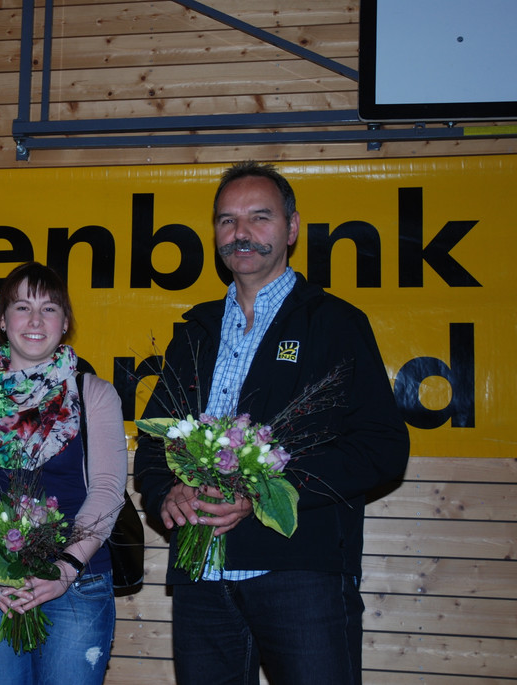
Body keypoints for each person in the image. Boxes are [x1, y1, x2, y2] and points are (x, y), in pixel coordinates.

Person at [134, 161, 410, 685]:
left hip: (300, 574)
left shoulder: (335, 323)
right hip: (200, 575)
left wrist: (264, 492)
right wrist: (166, 492)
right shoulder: (193, 332)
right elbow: (154, 443)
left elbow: (382, 447)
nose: (241, 233)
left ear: (292, 228)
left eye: (259, 217)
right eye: (227, 220)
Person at [0, 262, 128, 685]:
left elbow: (107, 491)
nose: (36, 320)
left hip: (78, 583)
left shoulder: (95, 394)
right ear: (3, 321)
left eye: (49, 308)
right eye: (23, 307)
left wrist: (64, 569)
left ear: (65, 323)